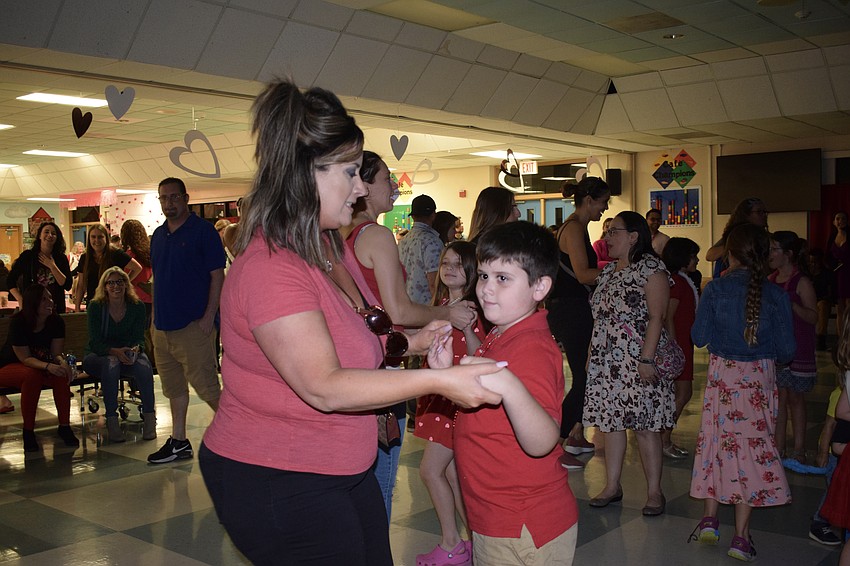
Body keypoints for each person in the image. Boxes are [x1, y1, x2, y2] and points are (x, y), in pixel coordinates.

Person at [198, 80, 502, 566]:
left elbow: (361, 335)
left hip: (340, 466)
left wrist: (414, 342)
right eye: (349, 172)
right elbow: (324, 386)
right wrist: (439, 380)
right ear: (303, 174)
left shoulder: (325, 246)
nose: (360, 188)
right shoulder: (271, 268)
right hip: (279, 475)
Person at [340, 151, 476, 518]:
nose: (395, 187)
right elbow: (397, 311)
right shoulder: (376, 234)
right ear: (363, 186)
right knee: (380, 483)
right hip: (381, 366)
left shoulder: (340, 237)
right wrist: (449, 312)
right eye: (387, 179)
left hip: (355, 362)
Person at [433, 221, 577, 565]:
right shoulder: (503, 333)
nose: (486, 288)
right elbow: (482, 396)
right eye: (484, 275)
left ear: (540, 287)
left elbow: (543, 441)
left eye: (503, 278)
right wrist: (443, 374)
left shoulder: (531, 349)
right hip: (498, 516)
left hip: (521, 524)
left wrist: (510, 385)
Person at [689, 223, 795, 562]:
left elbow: (698, 337)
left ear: (730, 253)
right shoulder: (776, 294)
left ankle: (709, 520)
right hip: (758, 381)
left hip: (723, 378)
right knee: (751, 450)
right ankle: (741, 536)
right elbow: (787, 350)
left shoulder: (715, 289)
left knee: (715, 443)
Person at [584, 211, 674, 516]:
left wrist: (646, 359)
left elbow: (657, 317)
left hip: (638, 359)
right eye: (608, 231)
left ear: (634, 236)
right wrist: (591, 354)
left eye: (614, 232)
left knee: (646, 426)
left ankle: (654, 492)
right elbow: (599, 318)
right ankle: (612, 486)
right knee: (611, 423)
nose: (607, 237)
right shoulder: (608, 272)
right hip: (607, 360)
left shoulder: (651, 269)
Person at [147, 177, 226, 465]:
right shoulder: (158, 235)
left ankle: (245, 438)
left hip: (193, 326)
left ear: (185, 198)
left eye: (174, 197)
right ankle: (179, 441)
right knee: (174, 388)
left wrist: (209, 316)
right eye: (164, 198)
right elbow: (158, 278)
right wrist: (154, 318)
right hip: (163, 327)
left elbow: (217, 276)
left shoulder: (203, 232)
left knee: (207, 388)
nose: (169, 203)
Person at [414, 240, 483, 565]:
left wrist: (467, 328)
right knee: (451, 474)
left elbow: (479, 354)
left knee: (430, 471)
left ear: (471, 270)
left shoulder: (471, 309)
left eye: (458, 264)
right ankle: (473, 542)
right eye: (445, 263)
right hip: (441, 397)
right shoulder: (443, 305)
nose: (449, 269)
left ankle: (452, 543)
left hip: (454, 401)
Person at [547, 176, 610, 470]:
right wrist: (619, 270)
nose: (604, 208)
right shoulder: (573, 228)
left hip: (573, 308)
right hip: (570, 310)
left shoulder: (577, 227)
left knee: (587, 374)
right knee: (584, 377)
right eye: (602, 202)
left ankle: (575, 434)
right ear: (588, 200)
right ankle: (555, 442)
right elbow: (584, 274)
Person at [0, 284, 79, 452]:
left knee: (60, 374)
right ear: (33, 303)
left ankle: (64, 426)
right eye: (44, 299)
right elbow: (25, 358)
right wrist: (49, 366)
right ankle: (28, 431)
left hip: (40, 365)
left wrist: (62, 363)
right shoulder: (19, 322)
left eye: (50, 298)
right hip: (10, 366)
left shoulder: (56, 321)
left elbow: (56, 353)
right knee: (32, 375)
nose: (50, 302)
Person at [82, 267, 156, 443]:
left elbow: (139, 337)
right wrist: (114, 351)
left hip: (127, 354)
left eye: (120, 282)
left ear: (126, 284)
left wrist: (136, 349)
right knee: (111, 363)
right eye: (111, 283)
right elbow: (95, 342)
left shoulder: (137, 306)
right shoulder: (96, 307)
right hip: (98, 356)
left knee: (144, 365)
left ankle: (150, 418)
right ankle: (112, 420)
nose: (116, 286)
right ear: (105, 286)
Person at [768, 231, 817, 464]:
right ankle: (779, 447)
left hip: (799, 348)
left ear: (787, 254)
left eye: (774, 249)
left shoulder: (801, 281)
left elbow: (813, 317)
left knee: (796, 398)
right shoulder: (770, 280)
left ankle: (799, 448)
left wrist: (791, 305)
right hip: (777, 349)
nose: (770, 254)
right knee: (779, 398)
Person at [661, 237, 700, 459]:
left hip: (684, 342)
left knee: (679, 393)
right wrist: (673, 346)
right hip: (679, 345)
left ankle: (664, 437)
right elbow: (668, 316)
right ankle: (664, 439)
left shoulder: (681, 280)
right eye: (693, 256)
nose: (696, 260)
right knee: (683, 393)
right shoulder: (677, 281)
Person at [73, 224, 142, 311]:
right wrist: (77, 307)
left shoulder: (116, 254)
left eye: (100, 237)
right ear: (89, 239)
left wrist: (124, 282)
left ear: (106, 238)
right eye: (93, 237)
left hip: (114, 304)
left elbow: (137, 268)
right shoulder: (85, 258)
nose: (96, 240)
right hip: (93, 303)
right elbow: (81, 284)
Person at [8, 221, 73, 313]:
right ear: (39, 236)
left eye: (53, 233)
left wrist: (52, 266)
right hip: (32, 308)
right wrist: (20, 299)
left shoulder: (61, 258)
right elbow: (10, 280)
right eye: (46, 232)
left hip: (55, 308)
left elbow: (67, 285)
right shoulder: (28, 256)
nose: (50, 235)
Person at [705, 197, 768, 279]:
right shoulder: (734, 233)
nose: (764, 215)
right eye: (759, 212)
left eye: (765, 212)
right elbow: (710, 256)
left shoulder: (766, 236)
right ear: (746, 214)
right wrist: (737, 245)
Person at [120, 220, 154, 365]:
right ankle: (150, 362)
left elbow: (123, 279)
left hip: (134, 300)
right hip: (150, 299)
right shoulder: (149, 255)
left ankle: (139, 365)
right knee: (147, 334)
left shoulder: (129, 256)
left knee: (136, 337)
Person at [398, 194, 443, 305]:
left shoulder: (403, 240)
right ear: (433, 215)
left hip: (406, 304)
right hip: (425, 307)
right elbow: (434, 283)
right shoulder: (432, 241)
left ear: (412, 216)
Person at [828, 212, 850, 336]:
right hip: (837, 274)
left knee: (849, 307)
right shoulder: (832, 237)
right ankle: (840, 338)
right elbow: (827, 257)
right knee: (839, 308)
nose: (840, 221)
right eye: (837, 218)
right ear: (834, 222)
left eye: (843, 218)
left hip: (848, 273)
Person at [808, 248, 834, 350]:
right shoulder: (806, 274)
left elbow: (830, 293)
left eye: (815, 262)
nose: (813, 265)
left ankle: (821, 338)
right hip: (808, 301)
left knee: (822, 306)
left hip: (821, 300)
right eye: (811, 262)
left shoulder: (826, 274)